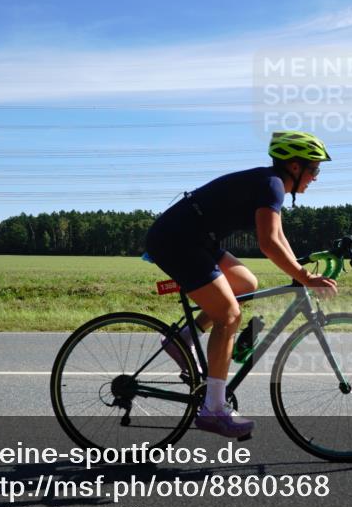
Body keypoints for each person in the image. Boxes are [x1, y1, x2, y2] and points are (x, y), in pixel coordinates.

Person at [143, 131, 338, 438]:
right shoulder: (272, 185)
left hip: (195, 238)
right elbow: (268, 244)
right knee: (229, 315)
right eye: (314, 169)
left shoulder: (271, 185)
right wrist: (306, 278)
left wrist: (300, 268)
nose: (315, 177)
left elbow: (279, 238)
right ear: (295, 166)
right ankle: (213, 409)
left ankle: (182, 339)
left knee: (246, 283)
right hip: (177, 240)